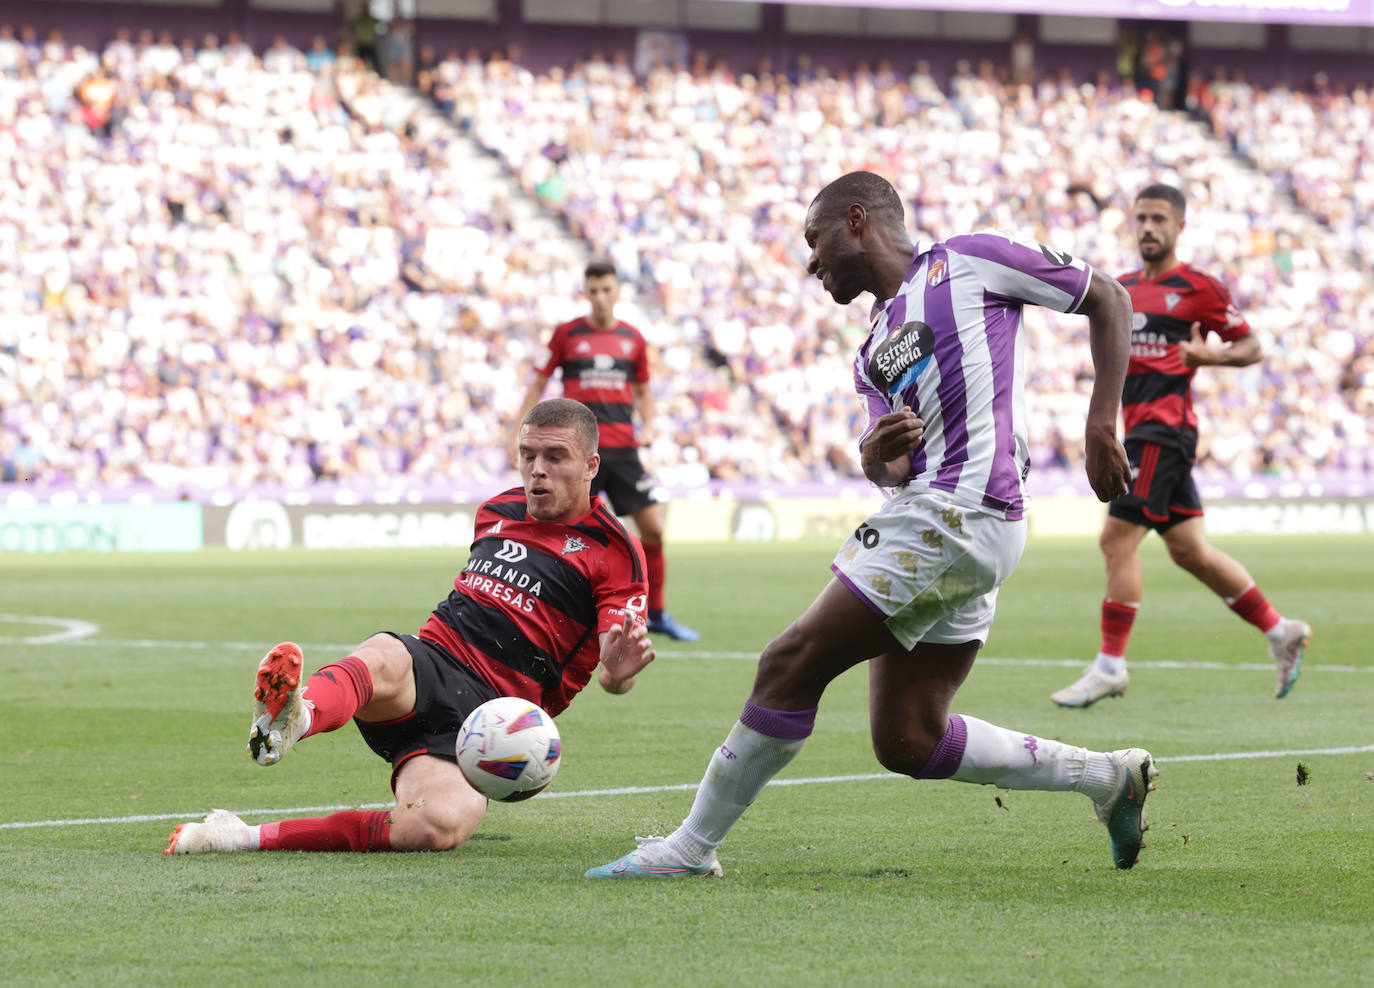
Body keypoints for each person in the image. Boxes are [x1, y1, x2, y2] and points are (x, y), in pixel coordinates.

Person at [586, 171, 1157, 879]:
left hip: (958, 512)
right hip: (944, 517)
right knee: (908, 739)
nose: (810, 261)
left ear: (856, 221)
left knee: (788, 664)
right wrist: (875, 456)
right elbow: (887, 469)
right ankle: (1107, 778)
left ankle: (690, 849)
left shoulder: (970, 260)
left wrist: (1104, 420)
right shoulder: (873, 349)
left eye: (814, 239)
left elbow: (1108, 296)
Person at [166, 399, 655, 854]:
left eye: (555, 457)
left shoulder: (614, 552)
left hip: (491, 722)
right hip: (431, 664)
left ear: (591, 465)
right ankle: (298, 717)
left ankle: (238, 836)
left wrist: (618, 672)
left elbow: (617, 675)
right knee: (383, 653)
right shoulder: (497, 511)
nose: (537, 470)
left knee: (432, 827)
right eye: (527, 455)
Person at [1051, 184, 1311, 708]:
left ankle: (1110, 666)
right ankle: (1280, 630)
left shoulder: (1199, 288)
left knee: (1115, 540)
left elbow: (1253, 344)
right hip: (1136, 428)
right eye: (1141, 217)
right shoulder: (1117, 289)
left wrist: (1208, 357)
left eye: (1159, 219)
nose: (1148, 227)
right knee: (1189, 550)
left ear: (1179, 226)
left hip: (1164, 430)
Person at [511, 260, 699, 642]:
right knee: (569, 536)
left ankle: (657, 613)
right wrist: (518, 431)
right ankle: (554, 613)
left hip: (624, 451)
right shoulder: (566, 335)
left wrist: (649, 424)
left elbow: (644, 390)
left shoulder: (633, 339)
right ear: (586, 292)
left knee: (653, 530)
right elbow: (538, 383)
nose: (599, 298)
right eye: (593, 290)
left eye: (606, 290)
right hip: (578, 454)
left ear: (617, 292)